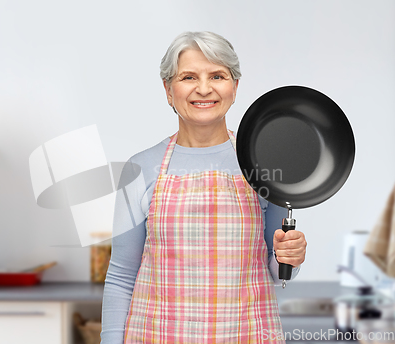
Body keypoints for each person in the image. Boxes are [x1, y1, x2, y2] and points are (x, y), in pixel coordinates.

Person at [100, 31, 307, 343]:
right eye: (188, 77)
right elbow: (121, 276)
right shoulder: (140, 168)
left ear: (235, 87)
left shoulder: (264, 163)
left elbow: (277, 274)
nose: (204, 88)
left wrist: (289, 257)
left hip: (246, 333)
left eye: (218, 75)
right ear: (168, 90)